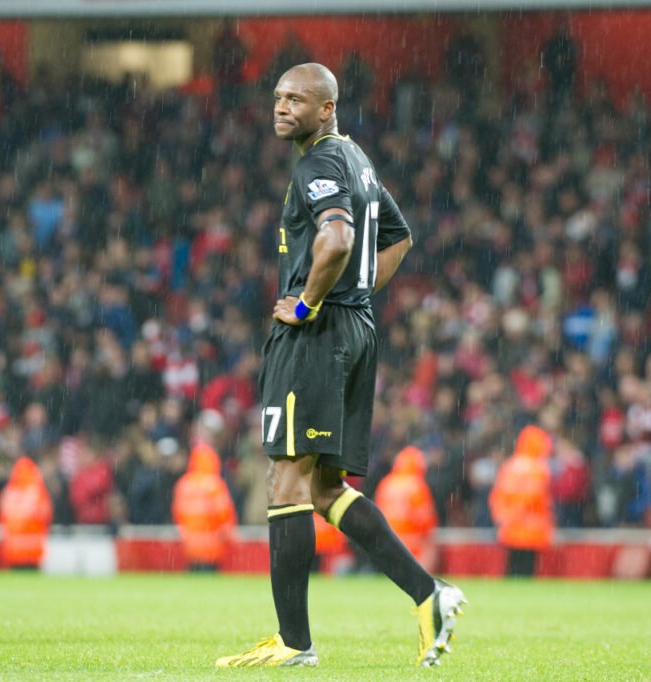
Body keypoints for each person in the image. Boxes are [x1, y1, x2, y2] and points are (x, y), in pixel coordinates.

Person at [216, 63, 465, 669]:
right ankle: (429, 593)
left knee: (285, 479)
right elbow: (399, 237)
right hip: (355, 331)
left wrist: (306, 303)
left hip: (317, 336)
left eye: (296, 99)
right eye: (277, 98)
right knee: (326, 487)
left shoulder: (319, 163)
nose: (281, 107)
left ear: (327, 108)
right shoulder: (358, 160)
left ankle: (295, 643)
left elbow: (335, 239)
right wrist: (355, 295)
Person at [489, 425, 555, 577]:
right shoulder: (537, 468)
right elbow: (532, 498)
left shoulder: (510, 465)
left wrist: (503, 518)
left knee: (512, 568)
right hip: (531, 530)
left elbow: (497, 496)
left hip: (511, 528)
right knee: (526, 570)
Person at [171, 440, 237, 571]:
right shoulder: (214, 485)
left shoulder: (184, 484)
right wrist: (229, 534)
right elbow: (224, 513)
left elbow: (177, 513)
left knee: (194, 581)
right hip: (212, 546)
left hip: (190, 546)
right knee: (210, 584)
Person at [374, 445, 439, 571]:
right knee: (428, 548)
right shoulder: (416, 485)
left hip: (389, 538)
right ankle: (422, 582)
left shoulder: (386, 483)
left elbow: (377, 511)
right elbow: (426, 517)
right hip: (413, 539)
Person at [0, 456, 53, 569]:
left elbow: (1, 516)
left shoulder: (9, 491)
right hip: (32, 549)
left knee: (13, 584)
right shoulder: (37, 490)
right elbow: (46, 514)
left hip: (12, 549)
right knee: (32, 584)